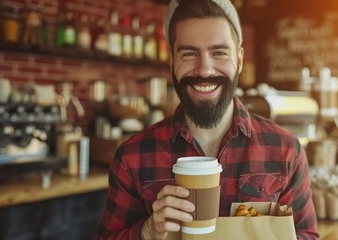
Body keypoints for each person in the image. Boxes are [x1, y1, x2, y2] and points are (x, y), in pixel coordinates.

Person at [96, 0, 319, 239]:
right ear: (172, 62)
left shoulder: (285, 150)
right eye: (189, 53)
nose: (205, 70)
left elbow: (306, 235)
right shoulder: (132, 157)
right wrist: (147, 231)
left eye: (219, 53)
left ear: (240, 60)